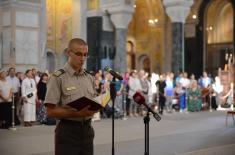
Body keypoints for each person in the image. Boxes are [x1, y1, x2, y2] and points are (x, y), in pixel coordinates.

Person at [44, 38, 98, 155]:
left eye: (85, 54)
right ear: (68, 53)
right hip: (68, 131)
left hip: (87, 131)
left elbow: (92, 102)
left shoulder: (89, 77)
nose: (82, 58)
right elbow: (50, 111)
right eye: (78, 54)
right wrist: (77, 114)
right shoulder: (58, 77)